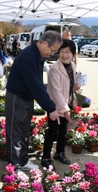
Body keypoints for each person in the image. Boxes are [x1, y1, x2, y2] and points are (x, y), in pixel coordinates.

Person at [5, 31, 62, 172]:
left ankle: (23, 161)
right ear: (43, 43)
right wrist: (51, 107)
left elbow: (38, 84)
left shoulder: (38, 54)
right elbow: (35, 84)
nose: (51, 53)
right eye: (52, 49)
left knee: (24, 131)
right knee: (15, 133)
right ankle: (15, 167)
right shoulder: (29, 56)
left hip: (26, 97)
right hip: (17, 98)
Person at [41, 39, 81, 169]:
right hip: (55, 106)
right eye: (62, 52)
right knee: (52, 132)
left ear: (73, 53)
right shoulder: (54, 69)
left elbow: (69, 85)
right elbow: (56, 91)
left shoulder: (72, 65)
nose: (64, 55)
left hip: (66, 103)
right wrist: (65, 109)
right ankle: (46, 157)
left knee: (63, 132)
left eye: (68, 52)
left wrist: (75, 86)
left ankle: (60, 153)